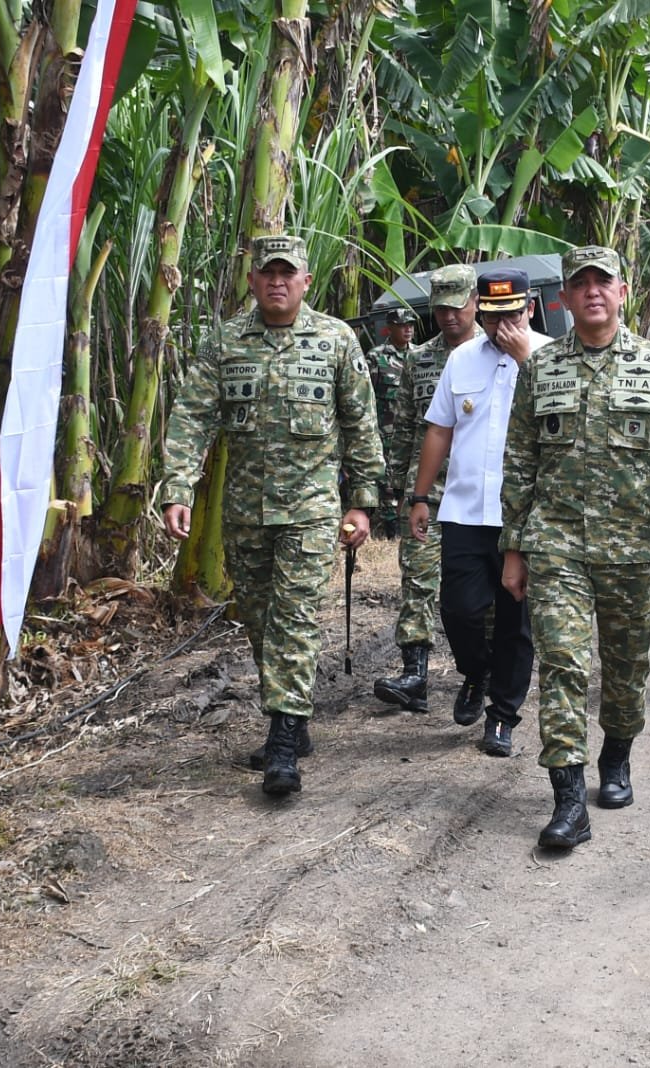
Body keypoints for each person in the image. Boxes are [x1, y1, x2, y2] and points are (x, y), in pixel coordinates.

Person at [500, 245, 650, 851]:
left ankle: (616, 753)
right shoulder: (541, 370)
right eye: (580, 283)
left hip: (633, 549)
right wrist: (514, 549)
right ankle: (568, 799)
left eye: (603, 282)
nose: (592, 291)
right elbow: (519, 461)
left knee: (624, 669)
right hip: (556, 543)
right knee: (563, 664)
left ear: (623, 292)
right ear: (563, 298)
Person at [160, 235, 382, 796]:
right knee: (259, 621)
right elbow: (191, 417)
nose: (277, 282)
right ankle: (295, 719)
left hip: (310, 510)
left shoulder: (336, 340)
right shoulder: (226, 343)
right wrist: (178, 487)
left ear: (306, 281)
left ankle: (284, 741)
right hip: (245, 512)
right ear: (254, 281)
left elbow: (360, 423)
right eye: (267, 273)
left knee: (294, 619)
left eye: (288, 273)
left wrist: (362, 502)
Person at [408, 269, 550, 756]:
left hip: (526, 515)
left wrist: (526, 360)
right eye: (492, 316)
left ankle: (503, 715)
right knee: (459, 609)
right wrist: (420, 496)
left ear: (529, 308)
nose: (501, 327)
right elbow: (440, 430)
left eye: (511, 314)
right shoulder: (463, 359)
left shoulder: (550, 357)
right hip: (467, 509)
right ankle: (475, 671)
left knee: (516, 620)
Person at [374, 265, 480, 715]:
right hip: (427, 495)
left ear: (474, 301)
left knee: (475, 598)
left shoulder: (495, 351)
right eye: (440, 308)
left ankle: (480, 674)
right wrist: (395, 489)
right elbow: (404, 430)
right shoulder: (418, 360)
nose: (449, 316)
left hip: (478, 496)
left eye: (457, 306)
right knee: (417, 581)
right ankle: (414, 672)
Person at [370, 307, 415, 538]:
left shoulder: (419, 355)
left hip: (414, 430)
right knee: (388, 481)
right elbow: (366, 396)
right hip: (386, 431)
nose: (408, 329)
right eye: (402, 325)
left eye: (410, 325)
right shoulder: (377, 357)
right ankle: (391, 529)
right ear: (391, 328)